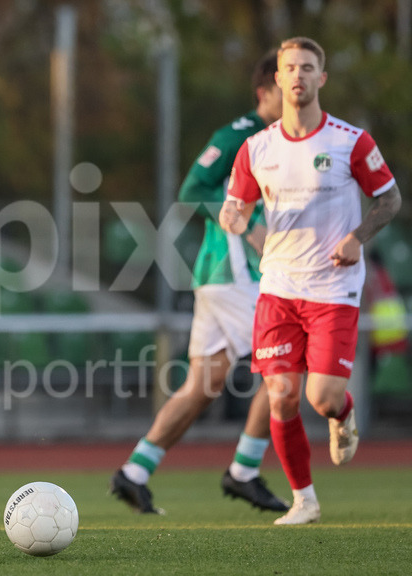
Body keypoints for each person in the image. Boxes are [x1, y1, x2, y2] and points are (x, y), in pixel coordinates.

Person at [220, 37, 401, 525]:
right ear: (276, 80)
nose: (297, 75)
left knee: (320, 398)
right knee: (280, 394)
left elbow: (390, 200)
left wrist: (358, 237)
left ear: (322, 78)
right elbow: (237, 210)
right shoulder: (255, 149)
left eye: (307, 67)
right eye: (289, 68)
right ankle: (305, 500)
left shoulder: (350, 141)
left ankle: (342, 415)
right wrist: (236, 217)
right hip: (278, 287)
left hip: (332, 289)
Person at [111, 51, 288, 515]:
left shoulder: (290, 139)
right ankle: (245, 471)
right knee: (285, 365)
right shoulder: (239, 134)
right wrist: (247, 225)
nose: (296, 95)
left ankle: (134, 472)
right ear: (264, 92)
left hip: (223, 278)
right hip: (235, 273)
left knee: (203, 384)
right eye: (286, 86)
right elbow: (193, 189)